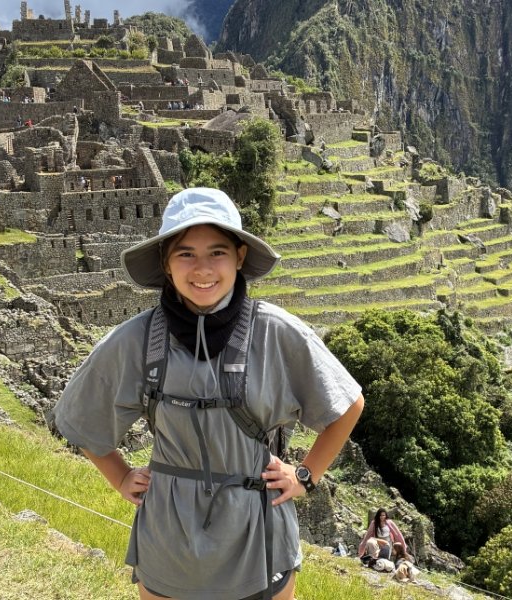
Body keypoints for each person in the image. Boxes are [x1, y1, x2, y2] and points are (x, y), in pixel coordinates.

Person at [54, 187, 364, 600]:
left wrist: (305, 476)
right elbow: (81, 417)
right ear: (166, 263)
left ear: (239, 256)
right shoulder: (137, 339)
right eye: (185, 253)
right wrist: (121, 477)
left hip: (257, 535)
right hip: (169, 537)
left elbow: (347, 404)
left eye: (217, 252)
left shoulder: (276, 332)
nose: (202, 268)